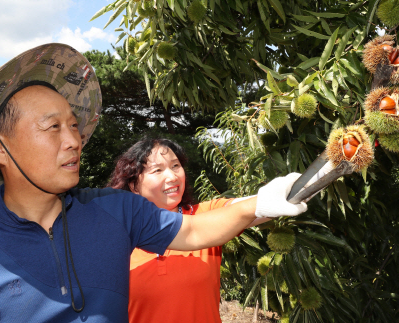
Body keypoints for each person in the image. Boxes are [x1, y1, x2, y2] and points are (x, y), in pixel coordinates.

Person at [0, 43, 307, 323]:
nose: (74, 140)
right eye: (52, 127)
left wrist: (261, 204)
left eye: (74, 125)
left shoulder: (114, 212)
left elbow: (197, 228)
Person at [108, 138, 288, 323]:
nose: (172, 176)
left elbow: (257, 206)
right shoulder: (117, 235)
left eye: (176, 166)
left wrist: (300, 186)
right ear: (134, 186)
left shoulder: (204, 215)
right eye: (158, 170)